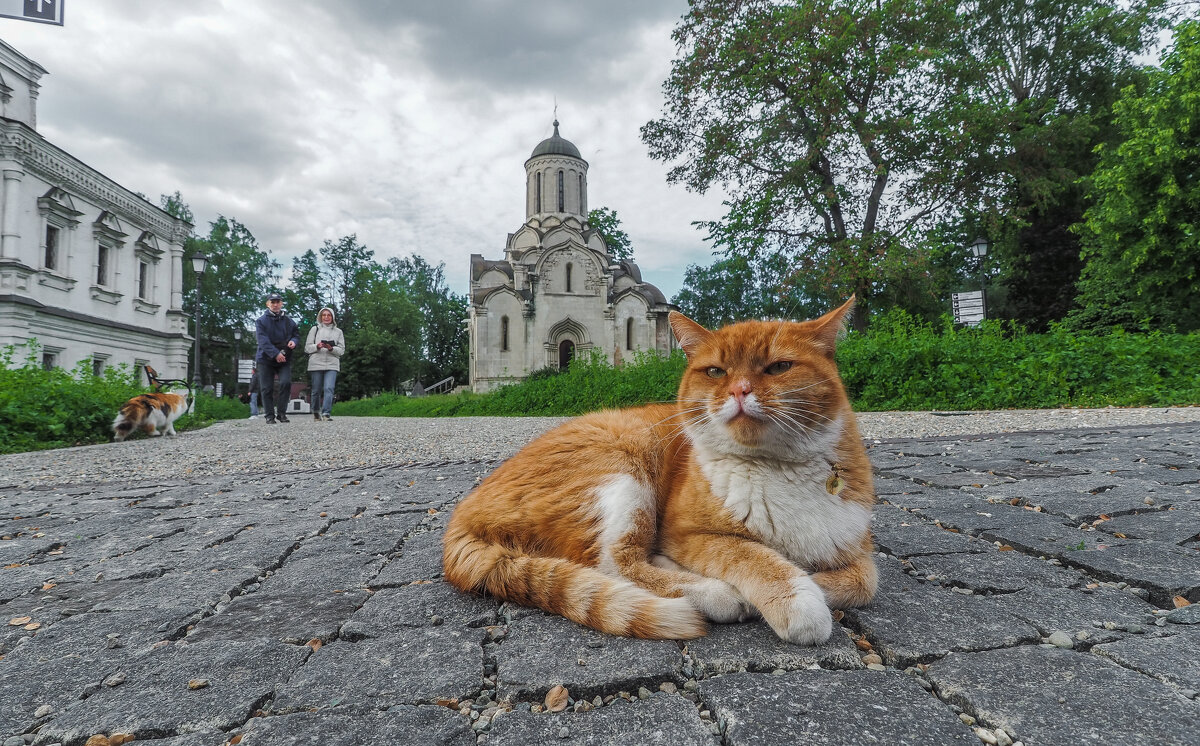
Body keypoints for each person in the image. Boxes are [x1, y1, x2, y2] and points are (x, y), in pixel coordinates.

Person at [255, 293, 299, 424]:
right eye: (272, 302)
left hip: (284, 357)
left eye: (277, 302)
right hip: (265, 358)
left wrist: (294, 341)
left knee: (285, 383)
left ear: (281, 303)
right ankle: (269, 415)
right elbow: (263, 341)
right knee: (266, 388)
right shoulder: (261, 321)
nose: (275, 304)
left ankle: (281, 413)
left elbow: (296, 334)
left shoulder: (289, 321)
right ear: (267, 304)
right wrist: (275, 354)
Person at [304, 306, 345, 420]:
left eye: (329, 315)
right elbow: (307, 348)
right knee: (316, 389)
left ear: (332, 317)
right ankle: (316, 411)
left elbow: (341, 350)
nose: (326, 317)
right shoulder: (314, 329)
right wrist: (317, 346)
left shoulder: (338, 332)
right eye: (324, 315)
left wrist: (331, 348)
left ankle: (326, 413)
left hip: (332, 363)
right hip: (316, 362)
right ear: (320, 317)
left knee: (329, 388)